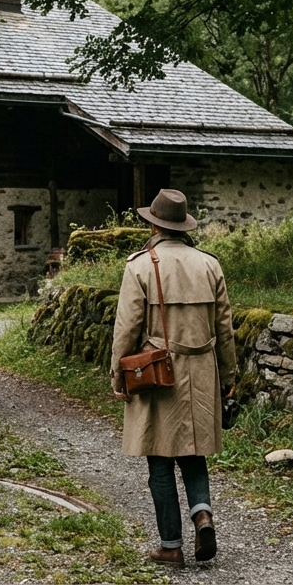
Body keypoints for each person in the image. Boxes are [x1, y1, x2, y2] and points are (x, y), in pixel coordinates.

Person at [110, 189, 237, 565]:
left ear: (153, 223)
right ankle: (203, 514)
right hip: (201, 372)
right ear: (183, 225)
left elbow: (126, 328)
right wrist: (228, 375)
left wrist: (119, 374)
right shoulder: (209, 265)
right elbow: (225, 328)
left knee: (160, 461)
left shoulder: (140, 266)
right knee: (194, 452)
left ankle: (170, 546)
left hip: (157, 373)